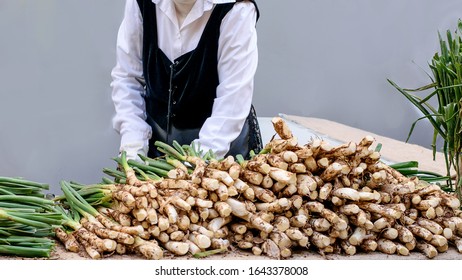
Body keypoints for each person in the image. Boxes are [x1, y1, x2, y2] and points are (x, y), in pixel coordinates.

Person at [111, 0, 262, 161]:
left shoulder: (237, 9)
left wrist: (193, 168)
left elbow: (233, 100)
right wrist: (134, 148)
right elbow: (127, 79)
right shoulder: (140, 2)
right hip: (158, 153)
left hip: (223, 154)